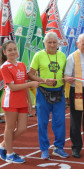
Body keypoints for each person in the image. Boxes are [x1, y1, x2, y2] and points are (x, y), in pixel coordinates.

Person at [28, 32, 69, 160]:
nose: (52, 45)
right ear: (44, 43)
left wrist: (66, 79)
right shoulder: (39, 55)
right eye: (49, 42)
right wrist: (44, 80)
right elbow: (30, 74)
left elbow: (65, 73)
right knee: (42, 122)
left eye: (54, 42)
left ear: (58, 44)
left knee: (60, 121)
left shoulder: (62, 56)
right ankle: (44, 149)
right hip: (43, 92)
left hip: (59, 92)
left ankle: (58, 148)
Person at [0, 40, 39, 163]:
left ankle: (3, 146)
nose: (12, 52)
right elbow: (12, 87)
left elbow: (24, 84)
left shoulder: (22, 64)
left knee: (22, 128)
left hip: (22, 101)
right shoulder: (4, 67)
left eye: (14, 49)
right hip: (10, 101)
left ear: (17, 51)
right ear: (5, 52)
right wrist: (32, 84)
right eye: (9, 50)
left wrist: (29, 102)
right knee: (10, 128)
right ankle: (10, 154)